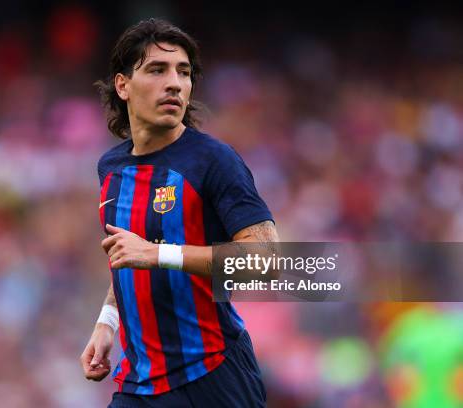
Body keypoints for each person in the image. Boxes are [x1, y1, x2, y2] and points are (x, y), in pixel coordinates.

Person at [80, 18, 279, 407]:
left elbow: (266, 261)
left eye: (184, 73)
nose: (174, 83)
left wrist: (160, 254)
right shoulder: (110, 168)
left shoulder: (214, 160)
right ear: (123, 85)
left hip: (213, 374)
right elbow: (129, 252)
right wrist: (107, 322)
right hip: (138, 382)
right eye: (157, 70)